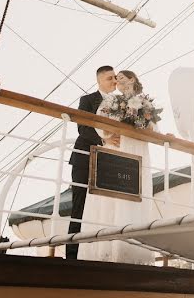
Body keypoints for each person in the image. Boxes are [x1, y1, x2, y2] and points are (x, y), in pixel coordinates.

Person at [79, 70, 157, 264]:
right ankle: (106, 251)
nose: (117, 80)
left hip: (137, 150)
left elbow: (154, 128)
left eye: (121, 77)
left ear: (132, 79)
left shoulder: (145, 102)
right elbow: (99, 123)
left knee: (135, 198)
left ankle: (134, 252)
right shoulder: (112, 101)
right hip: (117, 148)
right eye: (115, 77)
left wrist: (146, 124)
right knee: (111, 199)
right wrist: (106, 136)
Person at [66, 65, 115, 260]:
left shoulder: (123, 103)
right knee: (80, 204)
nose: (114, 82)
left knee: (105, 208)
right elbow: (83, 129)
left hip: (109, 162)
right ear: (100, 80)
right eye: (110, 78)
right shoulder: (87, 100)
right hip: (84, 157)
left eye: (115, 78)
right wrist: (104, 140)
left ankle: (100, 253)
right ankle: (72, 255)